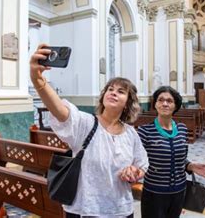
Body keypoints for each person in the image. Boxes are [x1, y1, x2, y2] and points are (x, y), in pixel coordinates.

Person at [30, 44, 148, 218]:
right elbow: (61, 112)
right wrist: (38, 79)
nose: (113, 93)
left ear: (128, 103)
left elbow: (142, 163)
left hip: (121, 210)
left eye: (121, 91)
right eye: (110, 89)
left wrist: (134, 172)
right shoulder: (86, 123)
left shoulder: (131, 134)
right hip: (86, 210)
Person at [138, 86, 205, 218]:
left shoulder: (182, 129)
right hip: (154, 192)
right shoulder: (145, 131)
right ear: (155, 104)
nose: (165, 103)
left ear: (175, 105)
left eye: (169, 101)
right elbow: (139, 161)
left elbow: (181, 158)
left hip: (179, 191)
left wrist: (190, 166)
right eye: (160, 100)